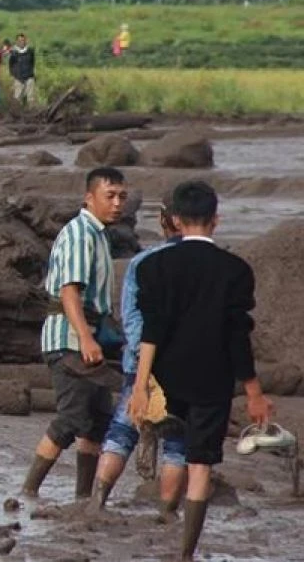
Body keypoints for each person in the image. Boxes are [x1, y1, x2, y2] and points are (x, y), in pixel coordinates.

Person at [128, 181, 272, 562]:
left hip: (166, 379)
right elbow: (237, 336)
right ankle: (186, 553)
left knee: (174, 449)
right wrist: (254, 391)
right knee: (201, 464)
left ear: (174, 219)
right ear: (216, 220)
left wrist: (140, 386)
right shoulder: (235, 271)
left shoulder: (154, 267)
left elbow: (151, 330)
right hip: (212, 382)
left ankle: (163, 506)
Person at [22, 168, 128, 500]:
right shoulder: (81, 233)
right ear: (89, 197)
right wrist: (85, 337)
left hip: (84, 336)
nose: (117, 203)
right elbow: (70, 291)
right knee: (71, 417)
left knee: (97, 420)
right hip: (68, 340)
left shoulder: (98, 234)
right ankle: (29, 490)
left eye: (121, 197)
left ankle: (84, 497)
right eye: (109, 196)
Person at [88, 200, 185, 517]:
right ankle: (167, 514)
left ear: (163, 221)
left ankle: (96, 503)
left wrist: (142, 357)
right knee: (177, 444)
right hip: (184, 369)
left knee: (121, 433)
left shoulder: (143, 263)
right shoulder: (206, 264)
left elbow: (130, 319)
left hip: (140, 364)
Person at [10, 33, 38, 107]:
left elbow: (33, 63)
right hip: (18, 78)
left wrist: (32, 74)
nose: (21, 42)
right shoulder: (14, 53)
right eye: (19, 41)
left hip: (29, 77)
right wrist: (13, 75)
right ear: (16, 42)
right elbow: (11, 65)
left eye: (23, 40)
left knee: (31, 98)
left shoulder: (30, 51)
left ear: (25, 41)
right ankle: (18, 115)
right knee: (17, 98)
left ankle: (32, 113)